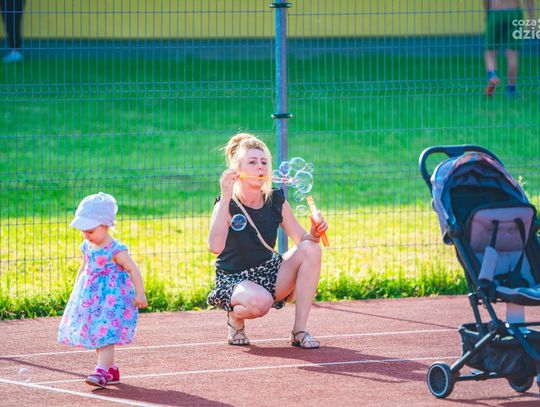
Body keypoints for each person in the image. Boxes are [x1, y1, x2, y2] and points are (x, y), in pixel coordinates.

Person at [207, 133, 328, 349]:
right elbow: (215, 247)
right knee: (260, 302)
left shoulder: (275, 200)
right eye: (252, 162)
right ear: (237, 169)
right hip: (234, 279)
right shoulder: (226, 204)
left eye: (264, 162)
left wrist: (315, 232)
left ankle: (299, 331)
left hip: (269, 272)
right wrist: (225, 196)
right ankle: (235, 317)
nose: (260, 167)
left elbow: (304, 241)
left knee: (312, 249)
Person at [58, 192, 148, 388]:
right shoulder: (87, 247)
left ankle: (101, 371)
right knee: (96, 332)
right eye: (83, 231)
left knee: (105, 332)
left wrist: (140, 293)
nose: (86, 235)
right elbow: (84, 268)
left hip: (112, 300)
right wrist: (77, 289)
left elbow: (133, 270)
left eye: (90, 231)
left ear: (106, 225)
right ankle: (111, 368)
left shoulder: (116, 250)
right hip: (92, 299)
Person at [483, 0, 535, 96]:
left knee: (490, 52)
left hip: (495, 12)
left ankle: (492, 76)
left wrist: (486, 12)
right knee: (513, 54)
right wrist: (531, 19)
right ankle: (511, 89)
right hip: (514, 13)